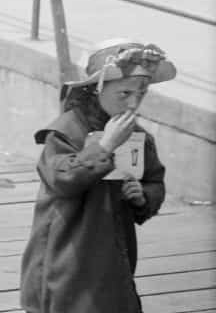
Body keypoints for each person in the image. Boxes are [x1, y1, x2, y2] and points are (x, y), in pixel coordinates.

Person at [19, 40, 174, 313]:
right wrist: (104, 147)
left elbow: (154, 181)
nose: (133, 103)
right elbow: (61, 179)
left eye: (141, 93)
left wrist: (142, 196)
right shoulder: (66, 130)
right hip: (66, 251)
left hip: (112, 253)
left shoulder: (138, 137)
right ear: (97, 89)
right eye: (124, 94)